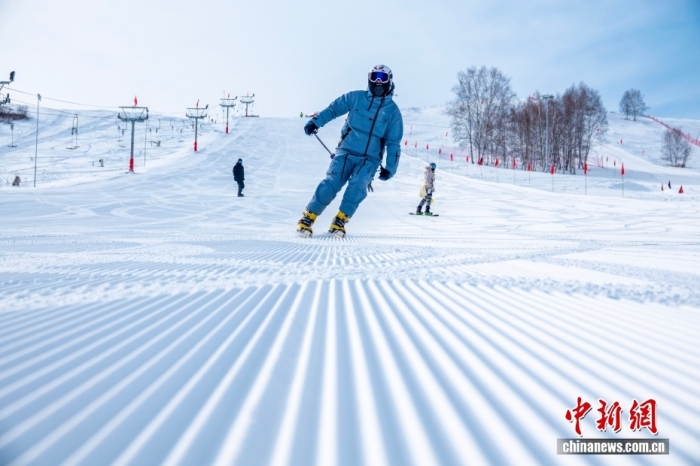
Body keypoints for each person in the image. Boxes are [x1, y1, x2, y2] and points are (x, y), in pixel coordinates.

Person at [297, 64, 403, 237]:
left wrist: (390, 167)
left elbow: (394, 143)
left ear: (389, 81)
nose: (378, 81)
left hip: (370, 159)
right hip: (346, 151)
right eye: (374, 76)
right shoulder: (355, 98)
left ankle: (340, 220)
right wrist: (316, 122)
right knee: (332, 183)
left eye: (382, 77)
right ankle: (308, 217)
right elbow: (334, 109)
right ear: (369, 79)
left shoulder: (393, 112)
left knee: (359, 185)